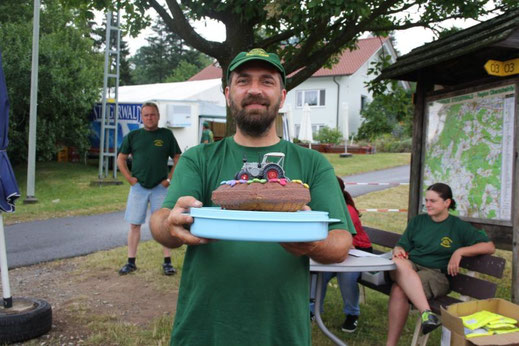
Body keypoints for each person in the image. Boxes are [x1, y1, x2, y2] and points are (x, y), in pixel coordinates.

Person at [149, 48, 355, 345]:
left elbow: (341, 242)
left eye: (267, 81)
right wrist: (169, 223)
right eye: (244, 81)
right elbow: (161, 221)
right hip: (204, 330)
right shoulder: (199, 158)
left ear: (282, 96)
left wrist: (314, 242)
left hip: (281, 331)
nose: (255, 90)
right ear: (228, 92)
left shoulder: (313, 163)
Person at [386, 183, 495, 346]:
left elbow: (489, 246)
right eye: (426, 200)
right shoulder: (418, 221)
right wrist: (398, 249)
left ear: (447, 203)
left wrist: (459, 252)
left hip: (435, 274)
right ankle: (427, 313)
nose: (428, 204)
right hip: (410, 266)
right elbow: (402, 245)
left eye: (433, 201)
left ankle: (390, 344)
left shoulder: (458, 226)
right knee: (397, 262)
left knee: (398, 289)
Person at [117, 102, 182, 276]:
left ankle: (167, 262)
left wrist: (169, 179)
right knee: (134, 224)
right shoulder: (134, 136)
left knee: (164, 225)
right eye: (146, 115)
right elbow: (121, 159)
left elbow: (178, 157)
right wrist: (130, 179)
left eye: (152, 114)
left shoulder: (166, 135)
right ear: (141, 117)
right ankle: (131, 262)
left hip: (160, 187)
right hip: (138, 188)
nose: (149, 118)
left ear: (158, 116)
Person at [310, 176, 372, 333]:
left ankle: (352, 315)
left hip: (357, 250)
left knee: (346, 276)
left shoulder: (347, 210)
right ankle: (312, 311)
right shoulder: (326, 206)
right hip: (337, 249)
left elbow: (347, 243)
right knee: (319, 273)